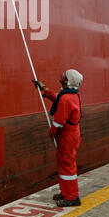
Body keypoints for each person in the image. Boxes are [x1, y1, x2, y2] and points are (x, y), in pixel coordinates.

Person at [32, 69, 83, 207]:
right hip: (71, 133)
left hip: (67, 136)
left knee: (67, 165)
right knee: (64, 164)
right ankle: (66, 192)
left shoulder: (67, 98)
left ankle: (72, 197)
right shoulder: (70, 95)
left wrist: (51, 133)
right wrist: (45, 89)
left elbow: (58, 122)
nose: (61, 78)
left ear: (68, 81)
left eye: (64, 77)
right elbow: (57, 98)